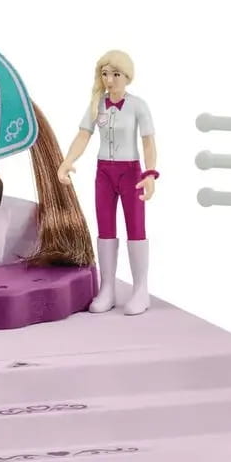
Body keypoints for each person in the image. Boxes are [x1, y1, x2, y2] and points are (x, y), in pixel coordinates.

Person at [57, 50, 158, 315]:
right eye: (105, 74)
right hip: (104, 172)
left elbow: (148, 142)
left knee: (136, 227)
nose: (109, 80)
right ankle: (108, 287)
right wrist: (67, 161)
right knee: (105, 228)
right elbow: (83, 135)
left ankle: (140, 289)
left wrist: (150, 173)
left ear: (127, 76)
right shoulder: (97, 105)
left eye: (115, 74)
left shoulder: (138, 106)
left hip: (131, 173)